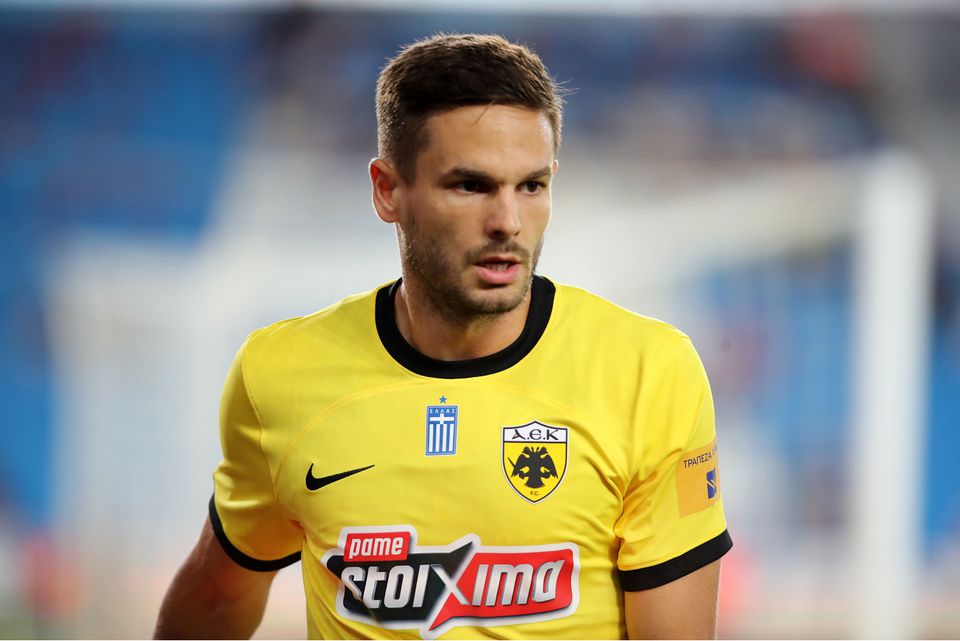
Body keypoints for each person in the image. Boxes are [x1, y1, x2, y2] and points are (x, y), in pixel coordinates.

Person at [154, 33, 732, 640]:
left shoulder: (648, 372)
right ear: (388, 190)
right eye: (470, 186)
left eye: (531, 186)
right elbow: (217, 596)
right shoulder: (279, 374)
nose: (508, 222)